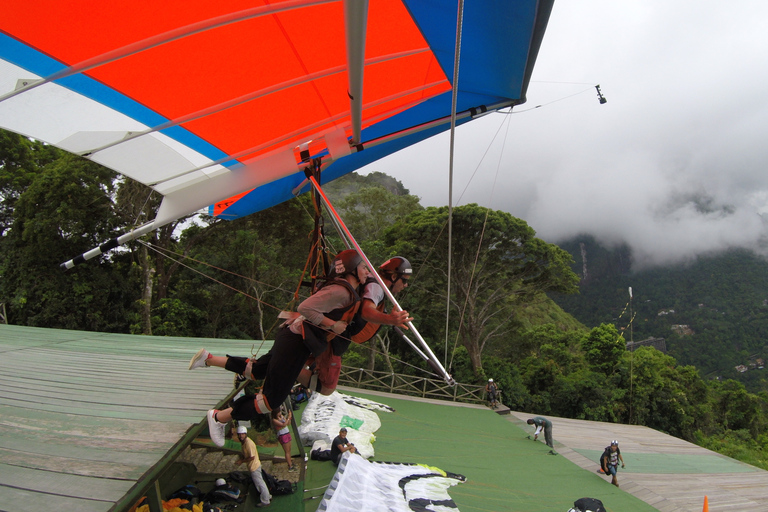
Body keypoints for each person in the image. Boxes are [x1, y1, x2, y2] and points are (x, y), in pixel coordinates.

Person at [189, 249, 368, 446]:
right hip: (296, 343)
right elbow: (305, 308)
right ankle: (219, 417)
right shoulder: (341, 291)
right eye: (364, 267)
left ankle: (207, 358)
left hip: (292, 337)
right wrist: (332, 324)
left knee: (257, 370)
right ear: (352, 269)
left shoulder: (345, 290)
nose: (367, 272)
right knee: (270, 401)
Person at [301, 256, 414, 395]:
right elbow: (367, 311)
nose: (406, 285)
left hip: (329, 331)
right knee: (327, 387)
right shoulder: (376, 287)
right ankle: (287, 370)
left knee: (309, 361)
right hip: (334, 335)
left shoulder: (371, 278)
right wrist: (390, 319)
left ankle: (289, 368)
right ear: (394, 276)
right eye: (405, 280)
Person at [235, 425, 271, 507]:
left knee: (260, 484)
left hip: (254, 467)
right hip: (253, 466)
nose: (241, 436)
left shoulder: (248, 443)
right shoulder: (243, 443)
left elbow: (251, 457)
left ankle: (265, 501)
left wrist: (241, 461)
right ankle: (267, 496)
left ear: (245, 434)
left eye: (242, 434)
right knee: (260, 483)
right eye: (239, 434)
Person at [271, 406, 296, 472]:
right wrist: (288, 417)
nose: (280, 413)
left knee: (289, 450)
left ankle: (290, 463)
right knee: (287, 451)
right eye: (278, 412)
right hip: (282, 435)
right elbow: (283, 424)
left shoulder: (281, 416)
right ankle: (290, 466)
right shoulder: (274, 420)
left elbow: (288, 423)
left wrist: (289, 418)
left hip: (287, 432)